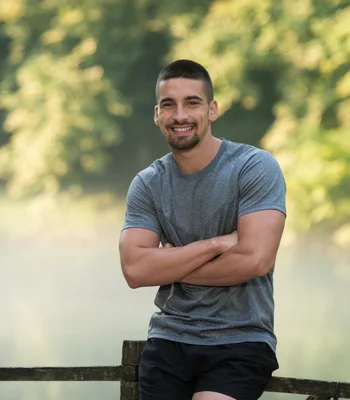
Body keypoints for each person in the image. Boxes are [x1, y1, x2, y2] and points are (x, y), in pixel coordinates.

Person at [118, 59, 287, 400]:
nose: (179, 115)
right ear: (157, 114)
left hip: (240, 340)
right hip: (168, 339)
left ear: (212, 109)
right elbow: (135, 270)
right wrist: (215, 244)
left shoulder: (254, 167)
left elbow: (254, 261)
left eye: (191, 103)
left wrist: (170, 266)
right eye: (169, 105)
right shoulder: (148, 184)